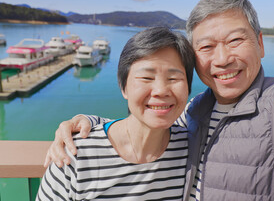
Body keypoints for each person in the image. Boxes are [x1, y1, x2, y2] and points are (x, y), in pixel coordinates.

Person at [45, 0, 274, 201]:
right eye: (206, 46)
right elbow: (151, 116)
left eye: (235, 40)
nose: (222, 58)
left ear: (260, 44)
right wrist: (89, 124)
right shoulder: (195, 112)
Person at [37, 27, 195, 200]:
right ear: (123, 87)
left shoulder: (191, 150)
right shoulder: (75, 157)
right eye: (146, 78)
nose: (161, 91)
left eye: (174, 79)